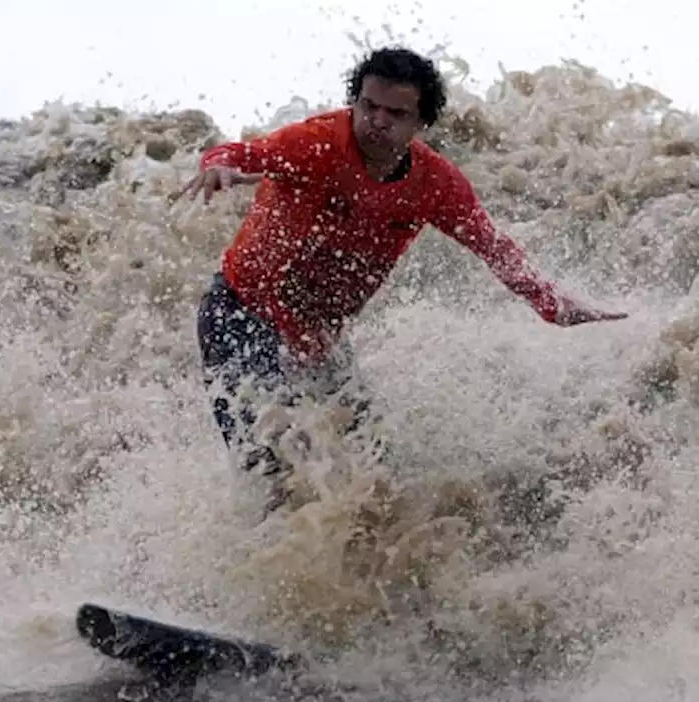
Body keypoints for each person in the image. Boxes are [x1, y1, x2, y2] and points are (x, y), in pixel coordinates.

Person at [178, 46, 627, 511]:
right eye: (368, 106)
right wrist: (220, 167)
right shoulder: (316, 143)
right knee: (272, 466)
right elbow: (242, 153)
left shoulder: (435, 184)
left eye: (396, 113)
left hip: (318, 338)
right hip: (241, 312)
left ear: (420, 124)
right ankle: (259, 564)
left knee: (369, 470)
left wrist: (551, 305)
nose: (377, 121)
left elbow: (493, 247)